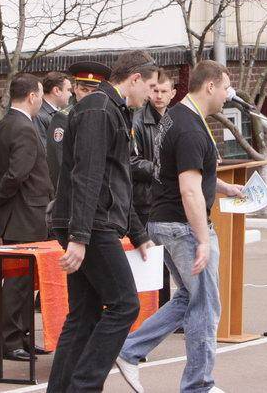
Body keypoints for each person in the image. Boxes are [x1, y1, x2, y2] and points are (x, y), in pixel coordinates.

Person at [117, 60, 244, 393]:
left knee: (190, 297)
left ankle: (129, 350)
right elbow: (188, 189)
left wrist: (223, 187)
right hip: (181, 226)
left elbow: (186, 173)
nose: (228, 95)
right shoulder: (190, 128)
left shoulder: (176, 116)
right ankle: (198, 385)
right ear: (210, 86)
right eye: (225, 87)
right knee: (206, 304)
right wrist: (202, 239)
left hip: (165, 221)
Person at [48, 51, 158, 392]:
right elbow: (88, 175)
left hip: (92, 221)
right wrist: (79, 237)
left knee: (84, 315)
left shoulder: (112, 109)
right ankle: (84, 386)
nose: (151, 95)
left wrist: (138, 233)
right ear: (135, 79)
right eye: (150, 87)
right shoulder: (99, 109)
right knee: (125, 304)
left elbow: (116, 179)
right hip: (92, 224)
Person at [0, 73, 54, 362]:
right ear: (32, 96)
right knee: (18, 281)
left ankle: (23, 336)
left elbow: (0, 170)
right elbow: (17, 172)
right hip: (25, 213)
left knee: (25, 281)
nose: (40, 100)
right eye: (39, 95)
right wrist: (0, 195)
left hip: (19, 212)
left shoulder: (5, 124)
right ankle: (12, 340)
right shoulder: (24, 127)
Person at [130, 68, 177, 305]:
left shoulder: (175, 120)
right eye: (155, 90)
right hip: (144, 201)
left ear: (173, 93)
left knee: (166, 263)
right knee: (148, 260)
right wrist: (160, 170)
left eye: (164, 91)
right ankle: (147, 311)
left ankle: (164, 309)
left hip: (168, 200)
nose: (158, 96)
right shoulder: (137, 120)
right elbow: (131, 161)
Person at [46, 61, 111, 193]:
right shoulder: (64, 118)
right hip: (74, 192)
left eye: (94, 91)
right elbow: (58, 162)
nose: (89, 95)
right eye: (84, 90)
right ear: (75, 88)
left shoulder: (107, 116)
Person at [34, 71, 72, 150]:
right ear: (56, 90)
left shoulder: (52, 113)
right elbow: (43, 150)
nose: (71, 94)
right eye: (68, 90)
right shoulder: (39, 115)